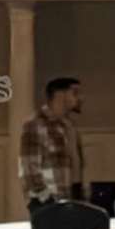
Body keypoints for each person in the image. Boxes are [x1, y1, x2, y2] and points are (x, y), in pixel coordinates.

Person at [18, 74, 87, 210]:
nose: (80, 98)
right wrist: (47, 200)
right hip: (48, 203)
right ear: (60, 95)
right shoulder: (35, 124)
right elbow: (29, 170)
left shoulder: (69, 126)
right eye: (75, 93)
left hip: (71, 200)